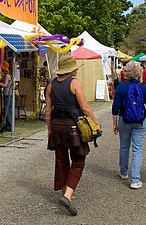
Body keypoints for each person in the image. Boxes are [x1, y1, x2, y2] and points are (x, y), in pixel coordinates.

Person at [46, 55, 100, 216]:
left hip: (56, 126)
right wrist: (95, 122)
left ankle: (65, 192)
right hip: (72, 127)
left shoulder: (51, 85)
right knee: (78, 160)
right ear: (71, 70)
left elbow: (48, 111)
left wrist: (49, 129)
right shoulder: (74, 83)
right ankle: (67, 195)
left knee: (61, 160)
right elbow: (85, 108)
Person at [112, 61, 146, 189]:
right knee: (137, 149)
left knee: (124, 146)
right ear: (139, 73)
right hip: (140, 121)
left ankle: (124, 172)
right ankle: (135, 180)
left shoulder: (121, 87)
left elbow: (115, 107)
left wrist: (114, 123)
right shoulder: (143, 88)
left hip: (124, 119)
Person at [0, 61, 13, 132]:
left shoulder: (7, 75)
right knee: (7, 110)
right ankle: (8, 125)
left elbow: (5, 85)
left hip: (8, 94)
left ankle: (9, 126)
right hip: (6, 94)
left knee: (8, 110)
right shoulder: (6, 75)